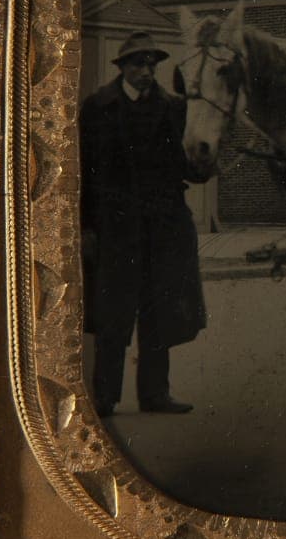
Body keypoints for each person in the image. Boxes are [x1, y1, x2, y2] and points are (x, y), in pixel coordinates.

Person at [80, 31, 206, 417]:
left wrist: (205, 162)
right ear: (123, 68)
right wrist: (85, 228)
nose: (147, 71)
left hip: (163, 228)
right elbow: (83, 172)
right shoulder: (98, 107)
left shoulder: (174, 108)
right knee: (112, 316)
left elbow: (187, 168)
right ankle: (104, 397)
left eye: (152, 64)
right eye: (139, 64)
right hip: (115, 229)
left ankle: (155, 395)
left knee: (159, 312)